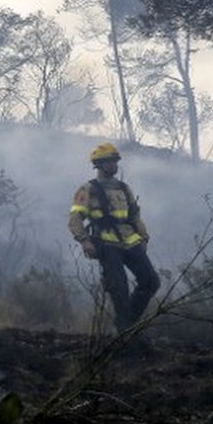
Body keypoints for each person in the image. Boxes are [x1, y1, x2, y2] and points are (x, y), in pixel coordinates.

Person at [69, 142, 160, 332]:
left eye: (116, 162)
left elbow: (134, 217)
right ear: (99, 164)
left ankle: (126, 323)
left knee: (151, 281)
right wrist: (85, 240)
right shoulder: (87, 189)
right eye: (110, 162)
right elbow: (75, 218)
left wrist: (143, 238)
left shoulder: (124, 189)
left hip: (131, 242)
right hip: (106, 244)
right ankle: (126, 334)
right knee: (119, 289)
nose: (114, 166)